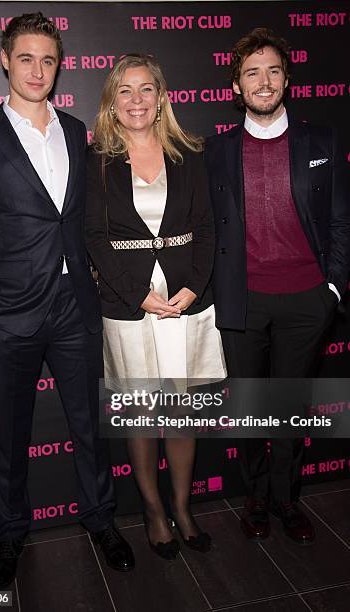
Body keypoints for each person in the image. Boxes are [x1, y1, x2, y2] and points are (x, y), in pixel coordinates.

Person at [0, 13, 134, 589]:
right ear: (4, 60)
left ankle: (100, 519)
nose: (37, 70)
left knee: (89, 425)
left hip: (75, 306)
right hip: (12, 312)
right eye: (25, 58)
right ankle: (10, 534)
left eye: (48, 60)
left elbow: (84, 220)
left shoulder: (77, 131)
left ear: (60, 66)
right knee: (10, 433)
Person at [205, 28, 350, 543]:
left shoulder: (322, 141)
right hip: (243, 301)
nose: (263, 82)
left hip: (308, 300)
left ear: (287, 78)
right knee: (248, 405)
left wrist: (332, 289)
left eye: (272, 70)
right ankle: (257, 495)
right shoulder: (216, 150)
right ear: (237, 86)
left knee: (290, 408)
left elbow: (339, 221)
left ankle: (288, 500)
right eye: (251, 73)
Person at [86, 53, 226, 559]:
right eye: (125, 90)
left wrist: (191, 288)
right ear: (112, 102)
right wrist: (137, 295)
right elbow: (94, 239)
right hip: (127, 305)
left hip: (188, 302)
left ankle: (183, 507)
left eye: (146, 89)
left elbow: (209, 229)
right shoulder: (96, 161)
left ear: (161, 97)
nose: (136, 99)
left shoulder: (190, 153)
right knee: (143, 417)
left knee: (182, 414)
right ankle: (151, 509)